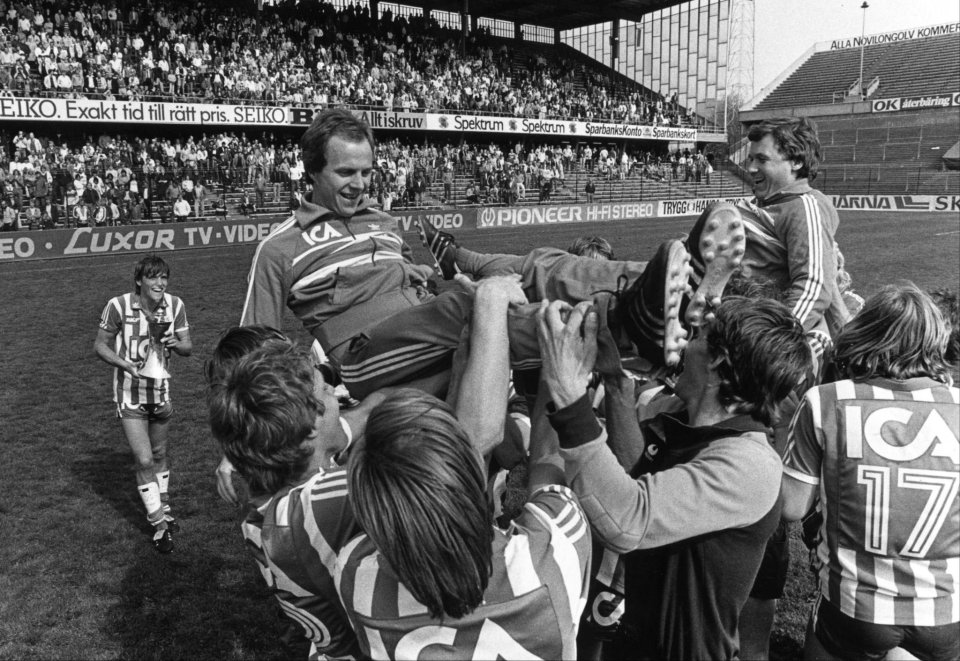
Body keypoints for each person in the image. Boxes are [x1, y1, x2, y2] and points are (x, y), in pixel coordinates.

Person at [537, 295, 813, 659]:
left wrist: (569, 397)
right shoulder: (680, 417)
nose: (684, 341)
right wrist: (615, 380)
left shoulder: (750, 463)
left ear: (718, 360)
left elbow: (627, 517)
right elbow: (636, 476)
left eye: (698, 335)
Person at [335, 276, 592, 659]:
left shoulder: (356, 578)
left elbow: (448, 477)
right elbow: (546, 461)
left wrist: (472, 351)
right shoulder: (554, 552)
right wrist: (557, 373)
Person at [780, 283, 959, 661]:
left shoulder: (826, 401)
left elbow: (792, 506)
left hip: (855, 606)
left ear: (865, 333)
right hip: (945, 612)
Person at [93, 256, 192, 553]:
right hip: (130, 393)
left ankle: (164, 506)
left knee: (160, 453)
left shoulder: (176, 305)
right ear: (139, 280)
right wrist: (124, 364)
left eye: (164, 278)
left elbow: (188, 346)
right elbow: (100, 345)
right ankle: (159, 526)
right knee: (145, 460)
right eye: (153, 278)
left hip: (161, 391)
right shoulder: (118, 305)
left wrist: (177, 343)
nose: (160, 283)